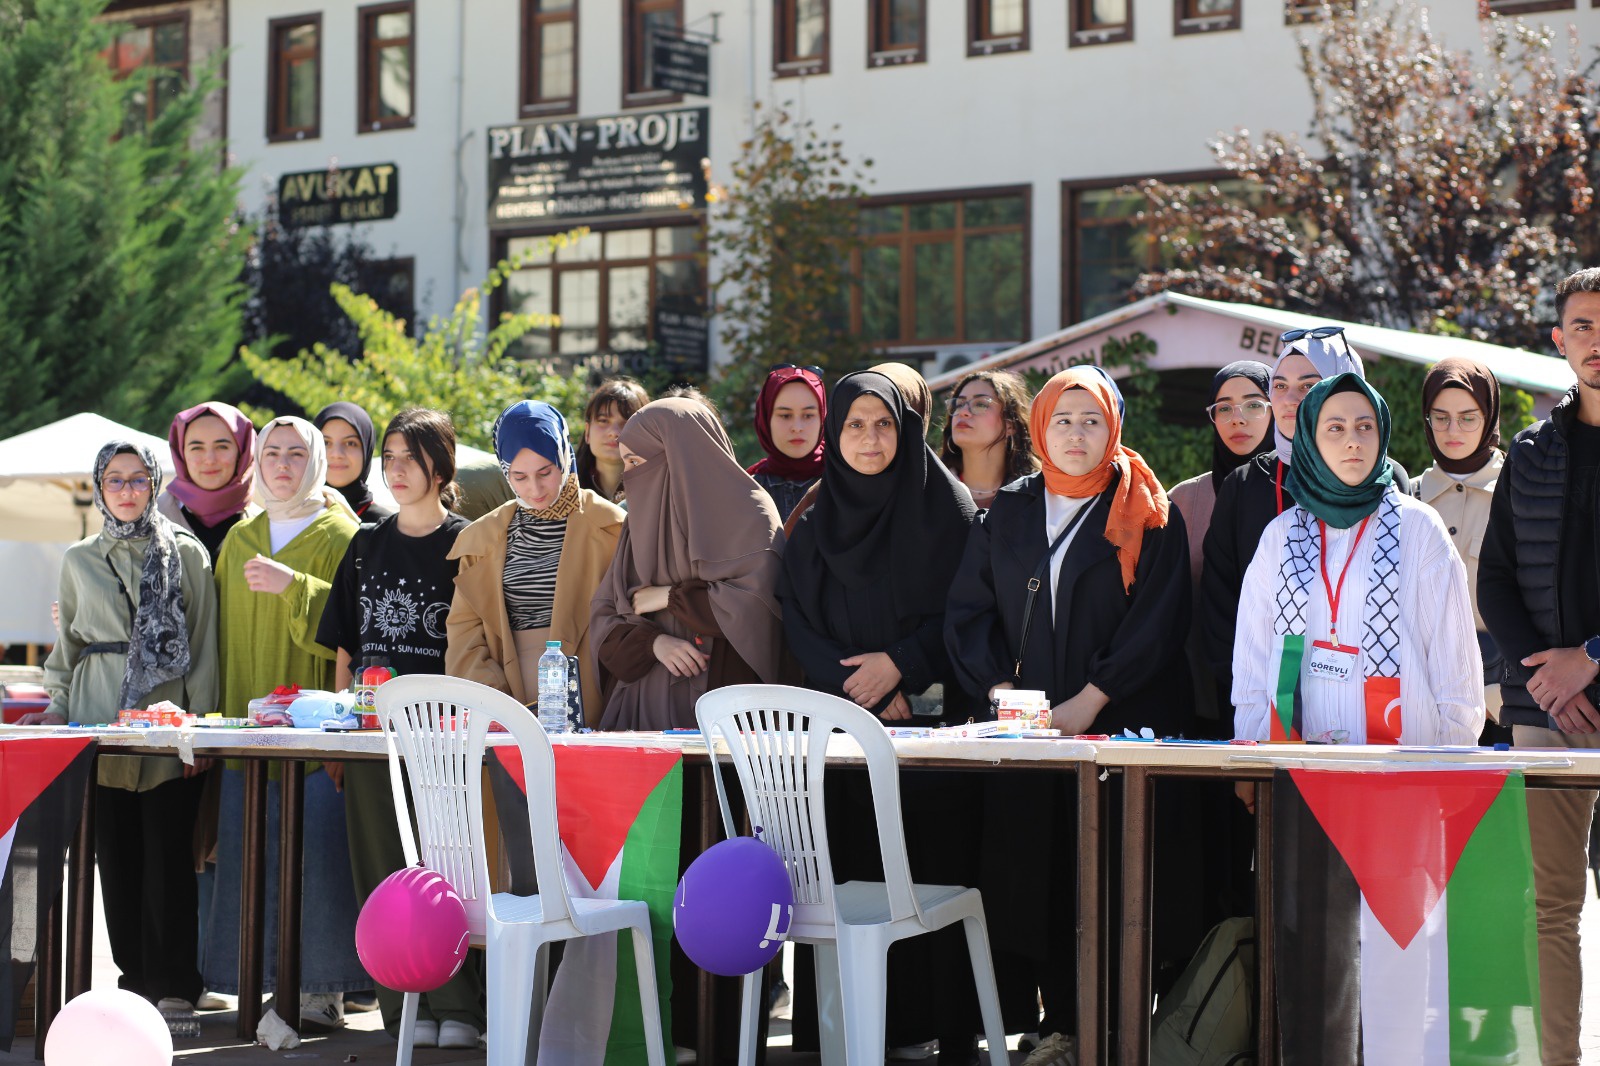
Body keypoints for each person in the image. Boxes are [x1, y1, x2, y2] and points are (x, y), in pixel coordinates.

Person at [945, 366, 1193, 1066]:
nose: (1077, 434)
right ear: (1043, 426)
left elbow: (1159, 620)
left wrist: (1093, 698)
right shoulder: (1015, 507)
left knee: (1116, 871)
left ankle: (1118, 1028)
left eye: (1091, 420)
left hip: (1119, 723)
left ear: (1112, 426)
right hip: (1029, 731)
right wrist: (1001, 692)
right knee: (1042, 873)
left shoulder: (1144, 506)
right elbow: (968, 611)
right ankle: (1064, 1027)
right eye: (1064, 419)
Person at [780, 370, 980, 1059]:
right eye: (854, 425)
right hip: (841, 739)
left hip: (933, 740)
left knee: (930, 874)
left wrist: (902, 664)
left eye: (883, 423)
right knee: (846, 874)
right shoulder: (815, 518)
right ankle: (840, 1032)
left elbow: (967, 610)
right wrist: (860, 686)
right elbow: (798, 620)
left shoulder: (947, 510)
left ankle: (945, 1031)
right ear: (834, 435)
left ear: (906, 428)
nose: (869, 439)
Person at [315, 409, 484, 1050]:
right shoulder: (365, 544)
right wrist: (343, 731)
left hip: (446, 743)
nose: (396, 469)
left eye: (410, 457)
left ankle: (460, 1006)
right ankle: (400, 1007)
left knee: (448, 870)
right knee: (381, 871)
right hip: (371, 738)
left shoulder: (471, 542)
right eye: (389, 457)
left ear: (440, 467)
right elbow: (345, 651)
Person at [33, 442, 218, 1022]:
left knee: (168, 852)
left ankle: (177, 983)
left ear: (155, 483)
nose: (127, 490)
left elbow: (206, 645)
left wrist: (204, 729)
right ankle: (135, 978)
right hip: (98, 714)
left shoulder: (187, 553)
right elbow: (68, 650)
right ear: (100, 486)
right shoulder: (79, 558)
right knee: (114, 856)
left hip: (167, 720)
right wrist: (58, 709)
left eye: (139, 479)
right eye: (115, 480)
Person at [203, 416, 365, 1029]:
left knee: (317, 851)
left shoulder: (342, 532)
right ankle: (251, 979)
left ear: (316, 462)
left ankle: (322, 990)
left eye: (298, 454)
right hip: (246, 725)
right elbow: (216, 638)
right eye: (272, 453)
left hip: (318, 725)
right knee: (253, 849)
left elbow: (357, 619)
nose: (282, 465)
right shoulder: (240, 539)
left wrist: (295, 585)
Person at [1478, 267, 1600, 1066]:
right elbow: (1493, 576)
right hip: (1545, 714)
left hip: (1581, 683)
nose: (1597, 339)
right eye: (1582, 325)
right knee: (1550, 907)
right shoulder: (1532, 450)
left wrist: (1590, 658)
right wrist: (1548, 681)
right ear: (1559, 340)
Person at [1233, 373, 1484, 747]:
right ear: (1310, 441)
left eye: (1365, 426)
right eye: (1335, 428)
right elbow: (1253, 657)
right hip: (1293, 762)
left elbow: (1455, 660)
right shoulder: (1281, 535)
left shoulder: (1416, 526)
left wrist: (1452, 760)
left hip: (1406, 769)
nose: (1353, 440)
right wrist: (1251, 754)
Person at [1200, 329, 1411, 718]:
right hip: (1271, 699)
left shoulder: (1385, 480)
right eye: (1280, 385)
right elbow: (1220, 607)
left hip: (1375, 694)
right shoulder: (1245, 485)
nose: (1291, 399)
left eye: (1309, 384)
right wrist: (1249, 707)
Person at [590, 397, 784, 730]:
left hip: (728, 706)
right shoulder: (637, 523)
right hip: (644, 707)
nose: (628, 476)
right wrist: (653, 644)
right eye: (625, 463)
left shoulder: (749, 515)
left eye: (636, 461)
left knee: (716, 785)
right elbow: (604, 615)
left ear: (677, 456)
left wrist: (671, 597)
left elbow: (761, 610)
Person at [447, 400, 625, 720]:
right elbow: (464, 636)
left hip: (597, 699)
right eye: (519, 476)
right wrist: (498, 704)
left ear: (564, 456)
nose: (535, 489)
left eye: (545, 471)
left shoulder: (612, 526)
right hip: (504, 705)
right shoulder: (480, 539)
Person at [1168, 360, 1274, 726]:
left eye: (1253, 404)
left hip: (1285, 693)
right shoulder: (1185, 499)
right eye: (1223, 408)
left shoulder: (1303, 494)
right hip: (1200, 697)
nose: (1237, 418)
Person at [1414, 357, 1511, 743]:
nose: (1453, 430)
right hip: (1424, 699)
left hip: (1503, 703)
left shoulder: (1519, 490)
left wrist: (1494, 697)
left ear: (1488, 417)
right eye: (1440, 417)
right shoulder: (1410, 495)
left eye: (1468, 417)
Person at [158, 402, 260, 564]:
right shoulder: (151, 520)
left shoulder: (264, 527)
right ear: (181, 453)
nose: (210, 460)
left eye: (222, 447)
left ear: (242, 452)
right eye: (197, 448)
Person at [937, 369, 1039, 509]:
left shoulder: (1038, 494)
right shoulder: (930, 488)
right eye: (959, 404)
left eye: (980, 404)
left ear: (1011, 425)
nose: (963, 412)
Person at [746, 364, 826, 521]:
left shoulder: (844, 484)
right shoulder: (746, 490)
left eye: (808, 415)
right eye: (785, 415)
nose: (797, 428)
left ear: (822, 418)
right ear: (766, 419)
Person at [315, 401, 394, 521]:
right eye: (326, 443)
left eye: (350, 443)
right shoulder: (290, 518)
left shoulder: (387, 528)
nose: (337, 454)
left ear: (366, 450)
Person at [574, 377, 649, 504]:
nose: (614, 432)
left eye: (626, 423)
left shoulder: (660, 490)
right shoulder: (563, 490)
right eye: (603, 421)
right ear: (587, 432)